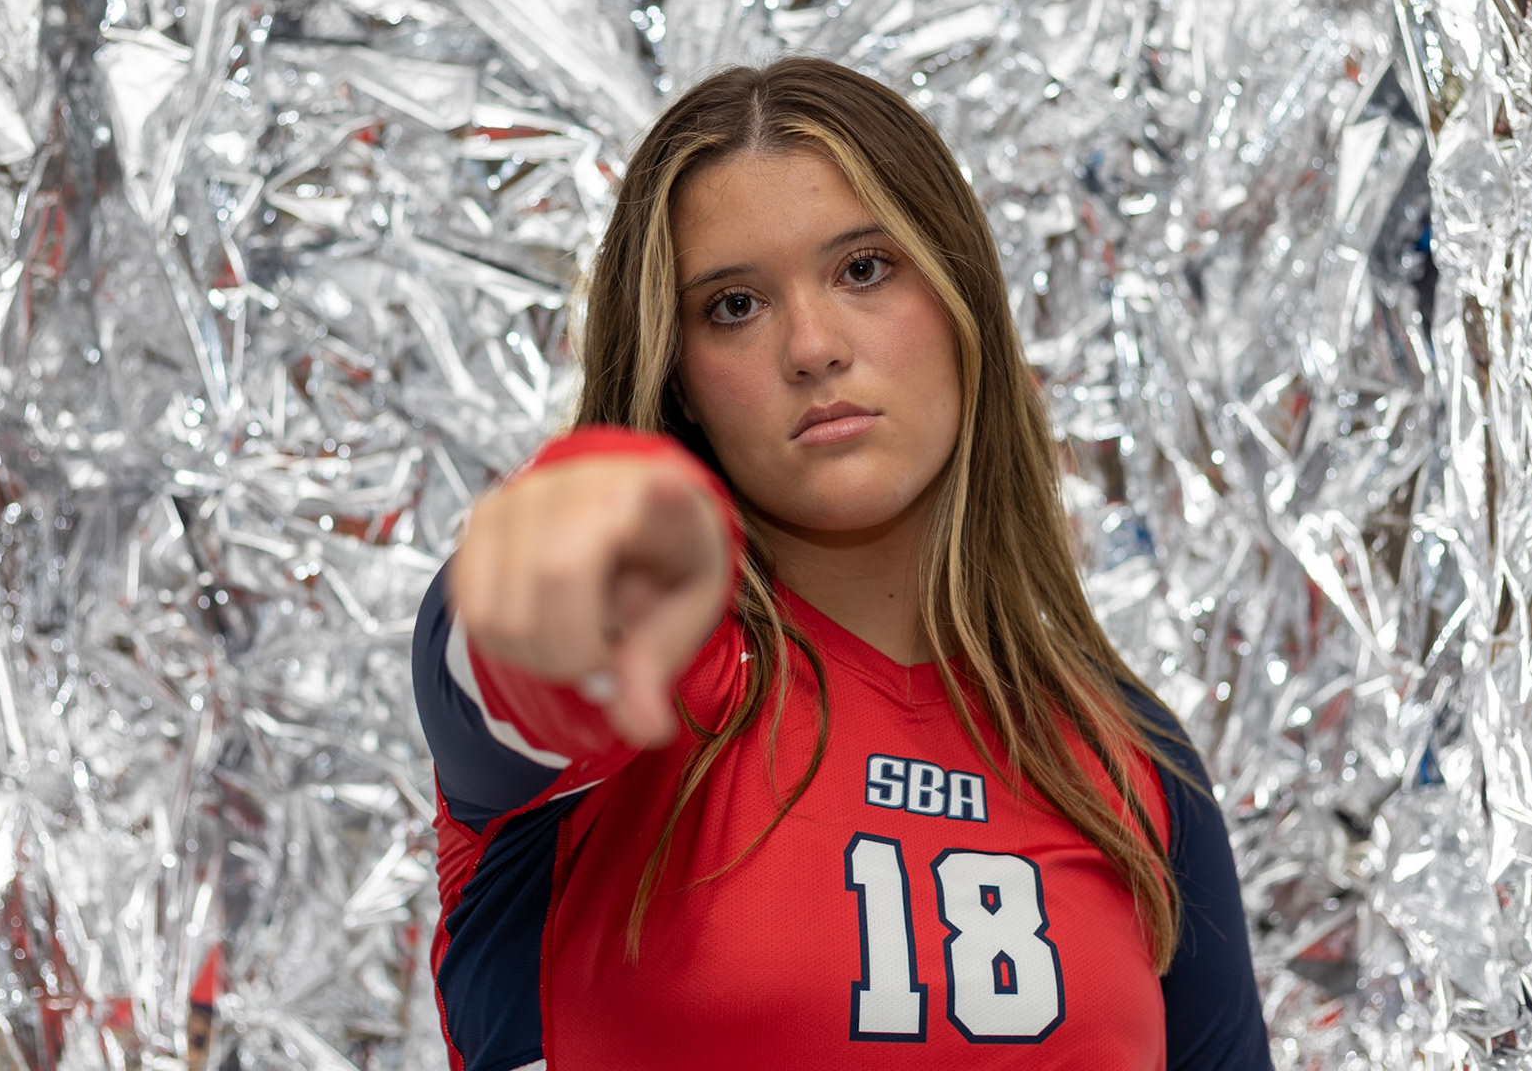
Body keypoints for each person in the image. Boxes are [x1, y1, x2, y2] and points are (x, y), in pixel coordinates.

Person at [410, 57, 1271, 1070]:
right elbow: (503, 642)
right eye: (733, 304)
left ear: (961, 302)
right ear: (679, 377)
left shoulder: (1126, 757)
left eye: (864, 268)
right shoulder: (631, 693)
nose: (812, 346)